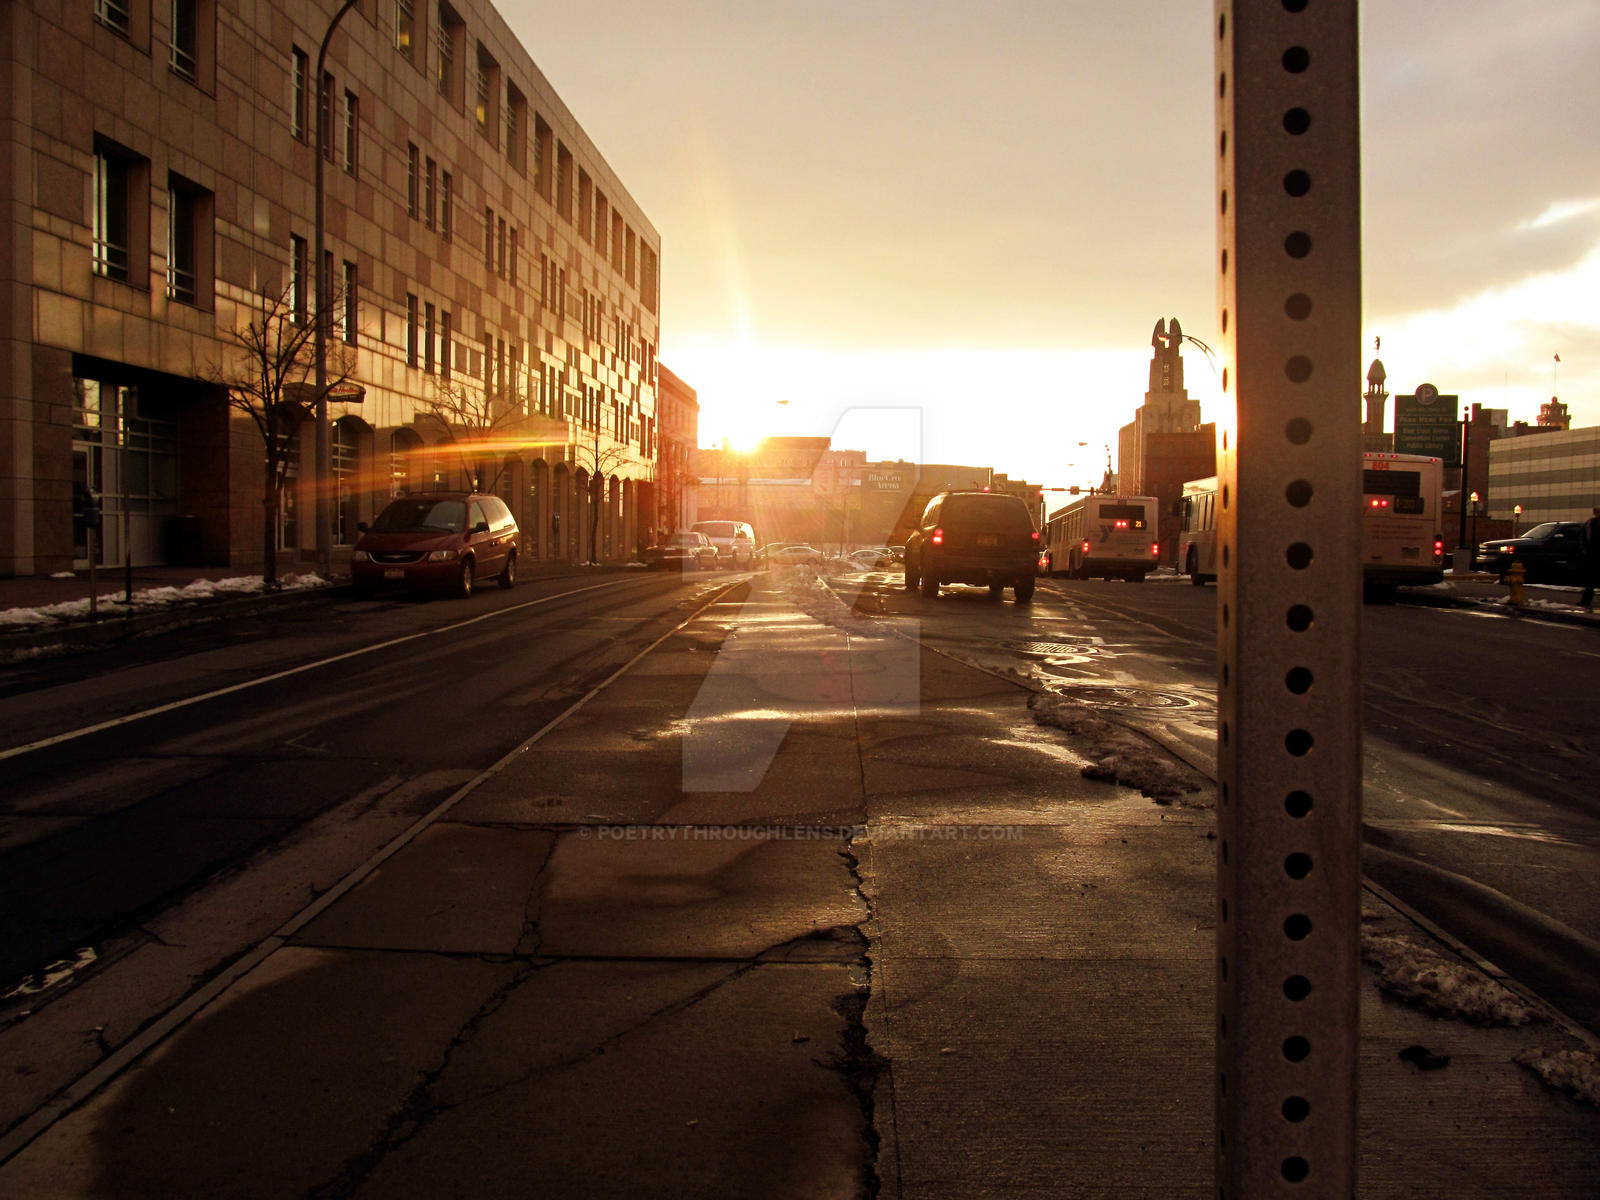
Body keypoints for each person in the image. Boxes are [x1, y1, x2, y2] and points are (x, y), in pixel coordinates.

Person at [1581, 505, 1600, 610]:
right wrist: (1585, 550)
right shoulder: (1589, 524)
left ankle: (1586, 600)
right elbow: (1583, 538)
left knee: (1590, 580)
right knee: (1590, 580)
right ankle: (1586, 601)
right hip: (1591, 554)